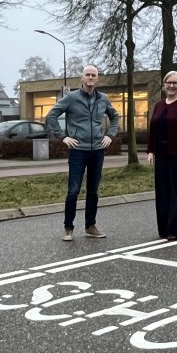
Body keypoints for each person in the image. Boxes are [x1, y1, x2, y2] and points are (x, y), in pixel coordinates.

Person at [46, 65, 120, 241]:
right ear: (82, 78)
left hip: (97, 151)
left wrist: (110, 135)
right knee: (73, 191)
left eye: (94, 75)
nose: (90, 77)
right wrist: (63, 137)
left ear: (97, 78)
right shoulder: (71, 98)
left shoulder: (103, 99)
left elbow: (115, 117)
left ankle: (90, 226)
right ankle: (68, 228)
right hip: (78, 151)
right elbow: (51, 116)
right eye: (88, 74)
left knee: (93, 191)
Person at [146, 70, 177, 240]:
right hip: (161, 154)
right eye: (169, 82)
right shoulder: (159, 105)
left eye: (175, 83)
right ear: (164, 85)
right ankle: (164, 229)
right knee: (162, 191)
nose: (172, 85)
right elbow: (153, 129)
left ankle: (176, 230)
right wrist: (150, 150)